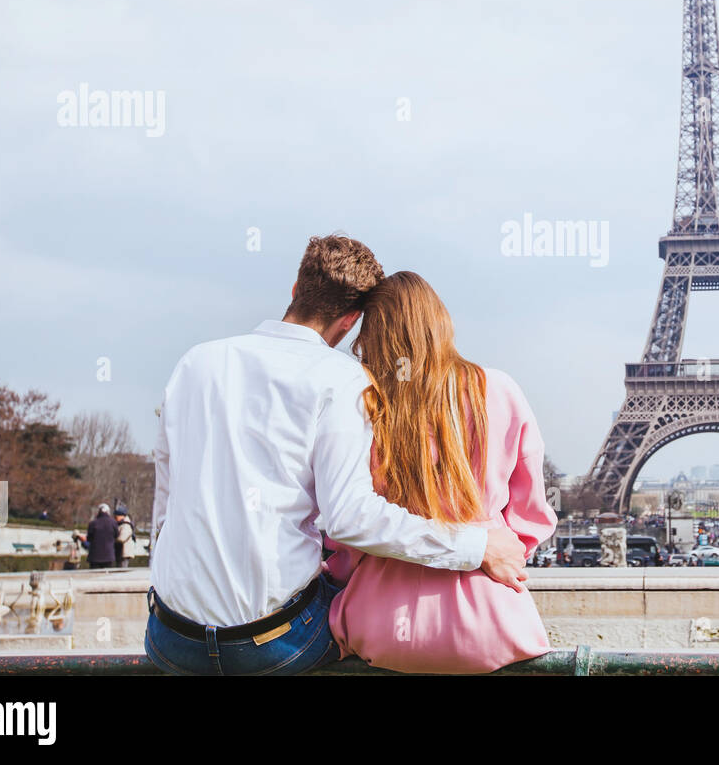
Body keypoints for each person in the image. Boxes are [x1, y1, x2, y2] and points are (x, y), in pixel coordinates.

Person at [146, 235, 527, 676]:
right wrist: (475, 545)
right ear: (350, 322)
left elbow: (166, 502)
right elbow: (351, 519)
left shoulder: (196, 362)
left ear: (294, 288)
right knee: (360, 605)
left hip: (171, 637)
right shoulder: (343, 381)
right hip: (271, 645)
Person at [326, 271, 558, 674]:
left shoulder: (368, 404)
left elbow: (348, 531)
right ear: (441, 322)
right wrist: (495, 553)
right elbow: (532, 516)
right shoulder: (499, 389)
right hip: (487, 622)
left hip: (379, 625)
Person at [86, 504, 118, 568]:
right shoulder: (113, 523)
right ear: (108, 512)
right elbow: (116, 535)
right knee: (106, 576)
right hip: (108, 555)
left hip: (95, 556)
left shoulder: (93, 523)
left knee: (94, 576)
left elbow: (89, 538)